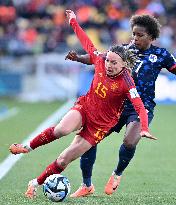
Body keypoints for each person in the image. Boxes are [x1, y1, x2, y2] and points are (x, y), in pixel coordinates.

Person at [65, 14, 176, 197]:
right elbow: (98, 59)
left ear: (151, 37)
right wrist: (78, 58)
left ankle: (117, 174)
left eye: (139, 35)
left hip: (142, 106)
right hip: (115, 105)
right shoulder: (124, 50)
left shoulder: (161, 55)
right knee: (88, 138)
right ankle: (87, 184)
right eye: (133, 34)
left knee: (130, 140)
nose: (135, 39)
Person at [8, 10, 155, 199]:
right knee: (62, 129)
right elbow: (86, 41)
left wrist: (143, 127)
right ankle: (27, 147)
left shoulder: (127, 82)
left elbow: (140, 107)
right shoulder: (100, 60)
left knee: (64, 158)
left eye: (114, 63)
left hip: (100, 126)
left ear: (124, 65)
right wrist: (73, 22)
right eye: (108, 60)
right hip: (85, 107)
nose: (108, 65)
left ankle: (35, 183)